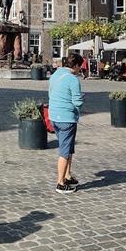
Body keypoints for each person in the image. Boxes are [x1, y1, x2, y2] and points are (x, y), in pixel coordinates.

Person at [48, 53, 85, 194]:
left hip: (54, 116)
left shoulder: (55, 75)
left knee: (68, 148)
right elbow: (77, 102)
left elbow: (51, 94)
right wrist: (81, 98)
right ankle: (60, 183)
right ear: (75, 65)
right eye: (79, 67)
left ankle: (68, 176)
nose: (79, 70)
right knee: (64, 151)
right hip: (66, 118)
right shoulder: (73, 80)